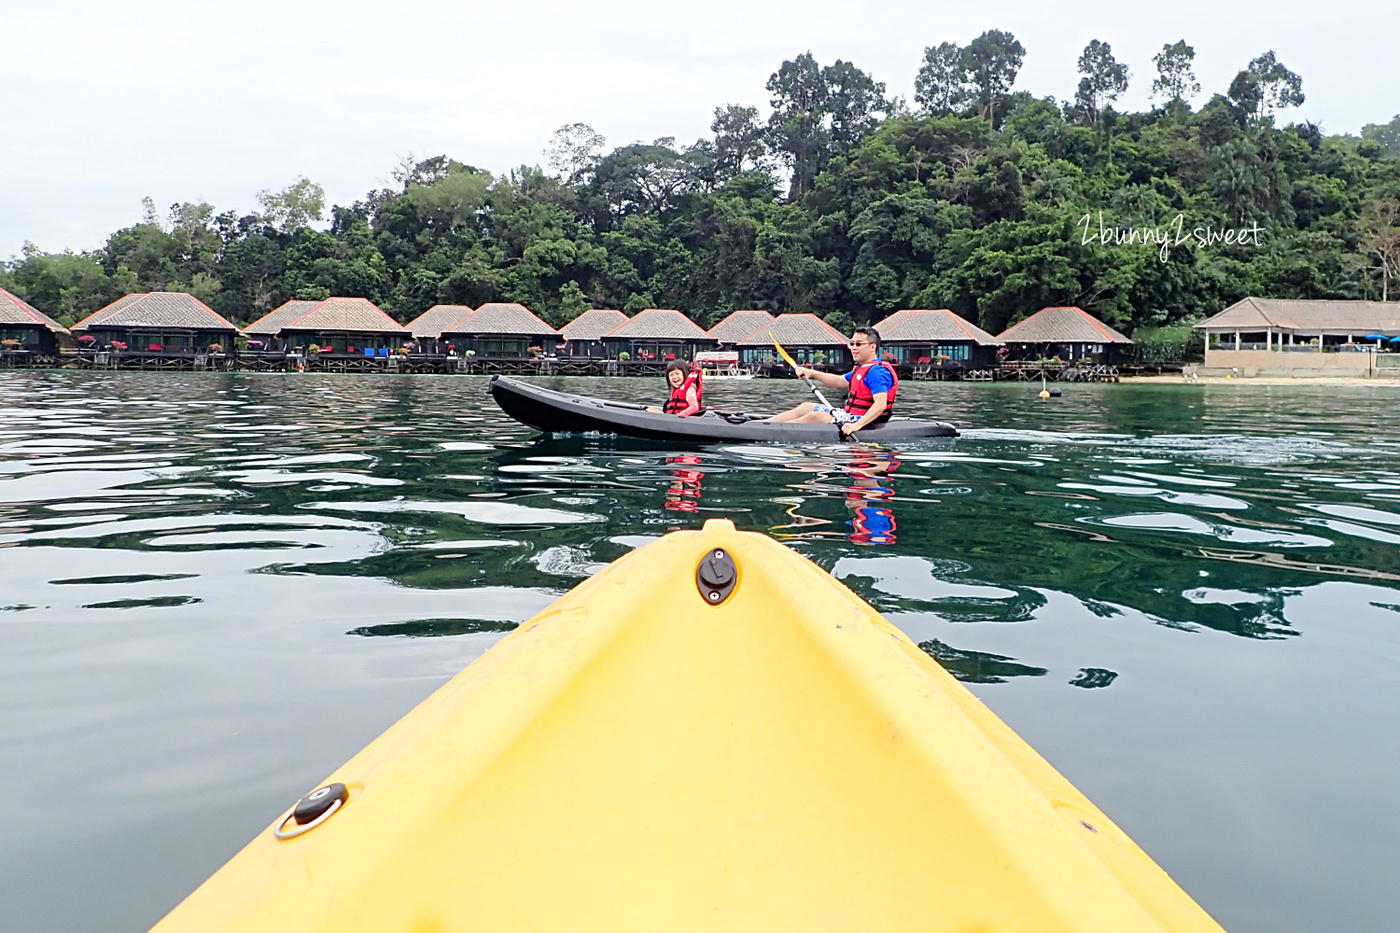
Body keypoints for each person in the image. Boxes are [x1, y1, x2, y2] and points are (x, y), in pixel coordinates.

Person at [763, 327, 897, 436]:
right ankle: (763, 424)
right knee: (806, 407)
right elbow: (839, 381)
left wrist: (856, 426)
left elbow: (881, 405)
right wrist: (811, 373)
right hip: (849, 414)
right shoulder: (862, 369)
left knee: (816, 417)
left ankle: (772, 431)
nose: (853, 348)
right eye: (852, 344)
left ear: (873, 347)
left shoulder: (877, 372)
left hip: (863, 420)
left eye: (859, 344)